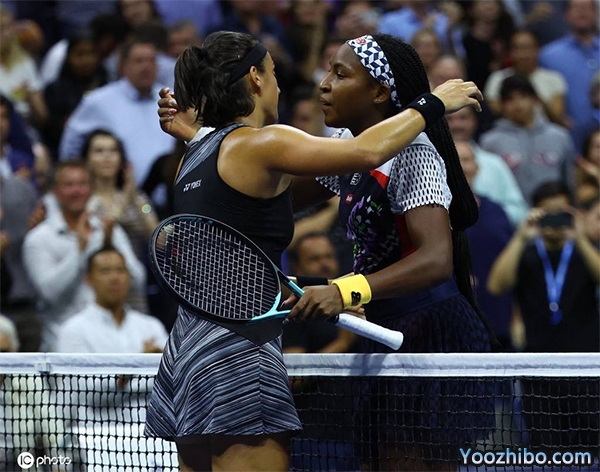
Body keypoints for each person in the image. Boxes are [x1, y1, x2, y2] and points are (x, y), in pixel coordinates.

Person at [147, 30, 483, 472]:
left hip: (421, 333)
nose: (321, 84)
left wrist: (340, 289)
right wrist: (434, 102)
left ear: (380, 91)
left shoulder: (198, 153)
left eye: (339, 74)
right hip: (242, 351)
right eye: (275, 72)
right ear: (255, 78)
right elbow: (366, 151)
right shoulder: (273, 145)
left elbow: (436, 260)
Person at [22, 161, 146, 352]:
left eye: (82, 184)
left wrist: (111, 246)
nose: (77, 191)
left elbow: (138, 280)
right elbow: (49, 293)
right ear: (55, 191)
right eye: (69, 184)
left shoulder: (108, 230)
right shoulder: (39, 238)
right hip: (62, 349)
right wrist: (80, 250)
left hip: (111, 347)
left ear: (91, 188)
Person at [56, 246, 167, 354]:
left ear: (129, 277)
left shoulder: (152, 327)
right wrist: (142, 362)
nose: (114, 278)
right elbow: (78, 368)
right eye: (105, 271)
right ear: (88, 279)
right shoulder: (73, 331)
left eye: (120, 270)